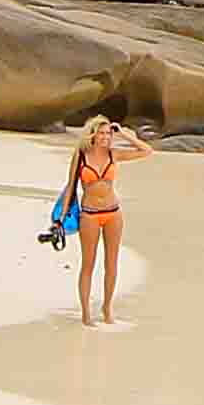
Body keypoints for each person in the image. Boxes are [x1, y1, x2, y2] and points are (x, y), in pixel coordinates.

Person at [64, 112, 149, 327]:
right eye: (101, 133)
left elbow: (146, 151)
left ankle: (107, 308)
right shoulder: (81, 156)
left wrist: (124, 134)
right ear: (92, 135)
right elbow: (70, 187)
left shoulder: (114, 154)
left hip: (113, 213)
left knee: (111, 264)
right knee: (88, 264)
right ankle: (86, 313)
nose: (105, 137)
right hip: (89, 215)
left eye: (108, 134)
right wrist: (60, 219)